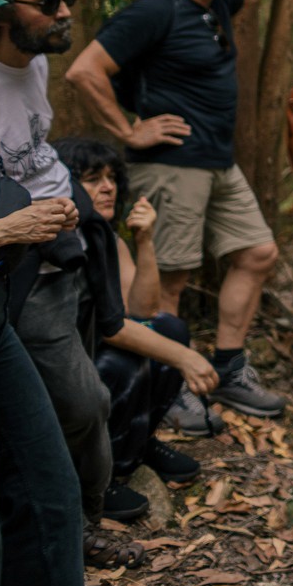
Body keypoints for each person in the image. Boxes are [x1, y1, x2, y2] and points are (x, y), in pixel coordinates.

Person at [67, 0, 293, 420]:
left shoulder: (216, 2)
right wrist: (130, 131)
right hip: (171, 166)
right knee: (168, 280)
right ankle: (168, 388)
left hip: (218, 162)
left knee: (258, 251)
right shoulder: (156, 10)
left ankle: (228, 370)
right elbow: (85, 70)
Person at [0, 0, 105, 586]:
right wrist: (10, 229)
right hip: (10, 271)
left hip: (42, 259)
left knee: (48, 483)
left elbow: (32, 153)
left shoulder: (30, 65)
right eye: (49, 1)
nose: (66, 11)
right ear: (1, 12)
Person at [57, 140, 218, 524]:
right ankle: (98, 477)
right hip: (64, 365)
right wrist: (186, 358)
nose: (108, 187)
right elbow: (116, 330)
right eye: (93, 179)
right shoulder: (59, 240)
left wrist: (144, 241)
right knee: (125, 362)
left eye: (112, 178)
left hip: (94, 347)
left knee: (169, 328)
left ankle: (138, 447)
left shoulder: (107, 239)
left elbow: (143, 311)